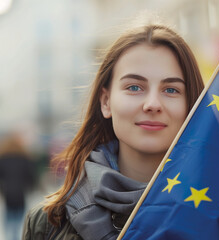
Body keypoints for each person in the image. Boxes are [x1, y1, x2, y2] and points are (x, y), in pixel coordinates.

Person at [22, 21, 204, 240]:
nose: (153, 104)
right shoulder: (48, 223)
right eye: (134, 87)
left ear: (193, 104)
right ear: (106, 102)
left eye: (171, 89)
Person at [0, 135, 36, 240]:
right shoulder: (24, 158)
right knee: (20, 220)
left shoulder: (2, 159)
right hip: (21, 193)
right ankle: (17, 236)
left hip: (8, 193)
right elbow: (31, 176)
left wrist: (0, 190)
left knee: (9, 218)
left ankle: (10, 237)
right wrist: (30, 187)